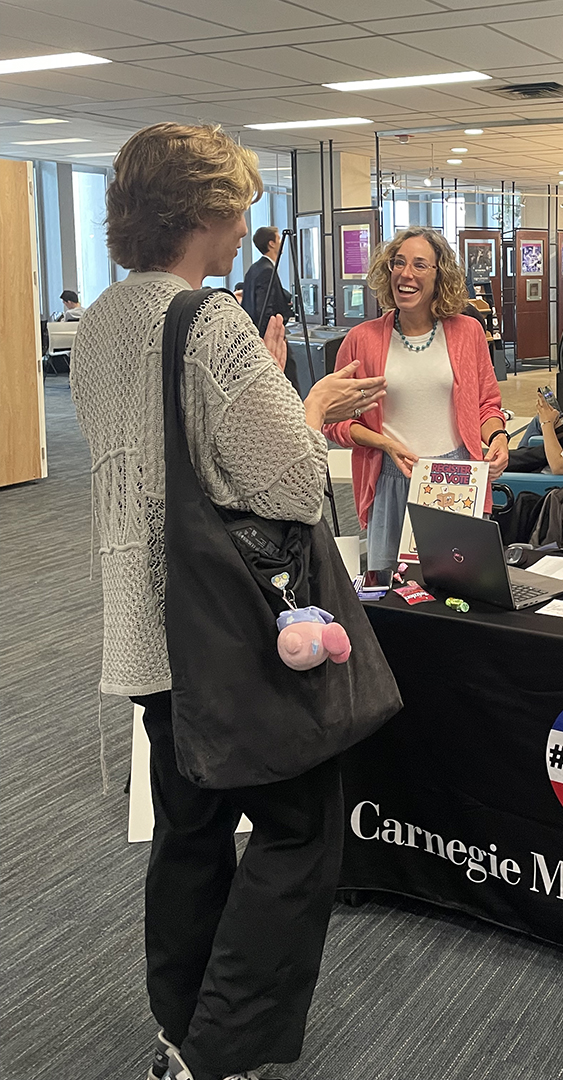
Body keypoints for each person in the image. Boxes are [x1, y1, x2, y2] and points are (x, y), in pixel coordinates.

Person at [69, 122, 386, 1080]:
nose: (248, 216)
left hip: (146, 630)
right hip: (230, 635)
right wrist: (316, 405)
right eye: (240, 200)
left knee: (191, 829)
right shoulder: (210, 324)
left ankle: (178, 1030)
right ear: (209, 210)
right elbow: (292, 483)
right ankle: (224, 1051)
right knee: (297, 828)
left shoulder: (103, 322)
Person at [323, 226, 508, 571]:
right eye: (398, 263)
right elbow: (334, 421)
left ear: (440, 275)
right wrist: (383, 443)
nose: (406, 274)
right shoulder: (361, 340)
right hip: (390, 479)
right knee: (392, 594)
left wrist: (497, 437)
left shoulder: (467, 332)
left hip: (455, 479)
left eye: (420, 265)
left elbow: (487, 404)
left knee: (458, 588)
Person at [240, 225, 293, 335]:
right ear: (271, 244)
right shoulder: (267, 271)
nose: (281, 241)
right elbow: (264, 309)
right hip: (265, 335)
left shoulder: (254, 268)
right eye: (278, 238)